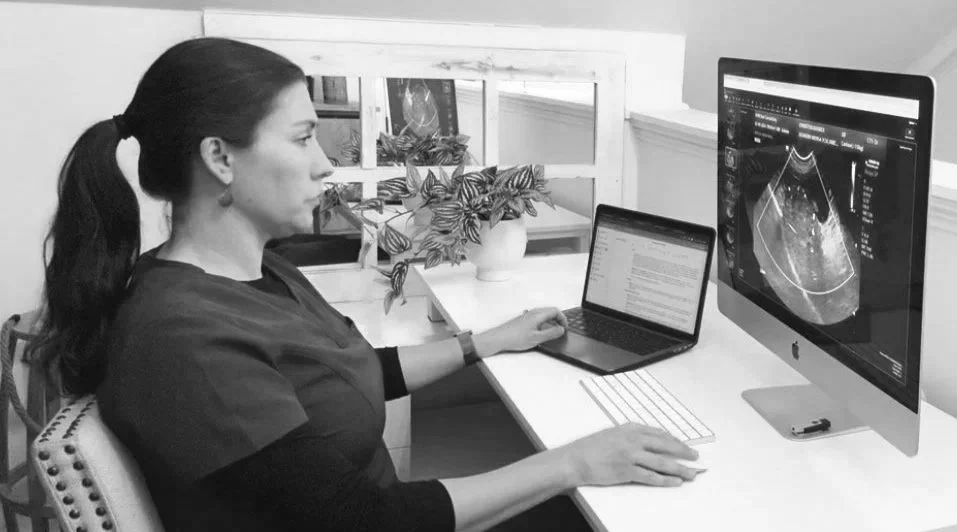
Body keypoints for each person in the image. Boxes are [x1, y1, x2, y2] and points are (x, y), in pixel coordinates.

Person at [30, 37, 701, 532]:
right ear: (219, 157)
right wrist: (572, 462)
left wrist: (482, 343)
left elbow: (344, 374)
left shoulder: (253, 271)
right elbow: (367, 521)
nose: (327, 166)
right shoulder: (183, 340)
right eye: (302, 140)